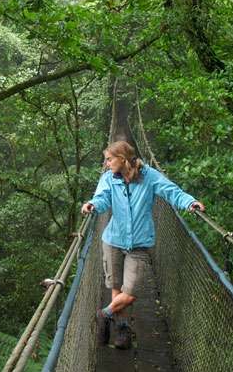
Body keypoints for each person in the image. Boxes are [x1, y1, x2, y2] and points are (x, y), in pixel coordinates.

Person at [81, 141, 205, 349]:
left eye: (109, 159)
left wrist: (189, 202)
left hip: (139, 244)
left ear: (122, 158)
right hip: (113, 240)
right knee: (116, 286)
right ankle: (122, 331)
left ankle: (104, 314)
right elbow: (101, 198)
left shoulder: (149, 176)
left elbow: (171, 191)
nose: (106, 163)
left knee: (130, 291)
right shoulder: (108, 179)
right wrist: (92, 205)